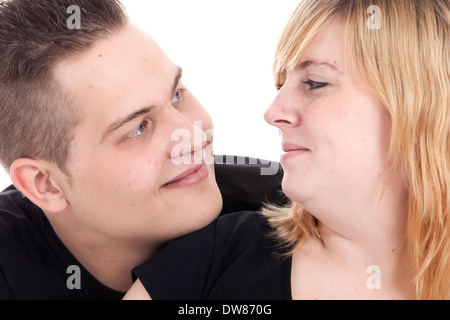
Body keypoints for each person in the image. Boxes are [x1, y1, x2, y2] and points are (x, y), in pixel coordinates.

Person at [125, 0, 450, 300]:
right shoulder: (210, 261)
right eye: (282, 84)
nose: (273, 112)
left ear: (422, 106)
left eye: (315, 83)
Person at [0, 0, 285, 299]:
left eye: (176, 95)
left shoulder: (293, 213)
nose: (195, 136)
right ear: (45, 184)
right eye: (137, 128)